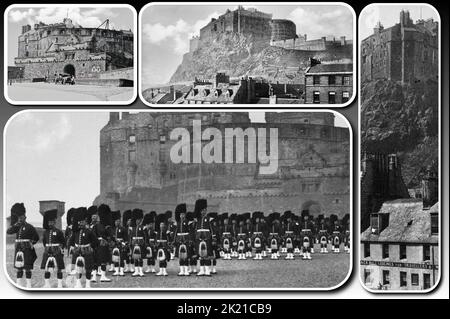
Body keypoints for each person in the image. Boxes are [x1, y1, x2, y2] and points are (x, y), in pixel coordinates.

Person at [7, 203, 39, 288]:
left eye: (22, 217)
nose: (20, 219)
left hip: (27, 249)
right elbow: (8, 232)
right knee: (19, 267)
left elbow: (36, 237)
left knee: (27, 267)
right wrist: (15, 225)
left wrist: (32, 243)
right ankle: (19, 283)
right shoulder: (16, 227)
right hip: (18, 249)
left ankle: (28, 284)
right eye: (19, 217)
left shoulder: (30, 227)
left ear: (25, 217)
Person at [68, 207, 99, 288]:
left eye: (83, 222)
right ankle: (78, 283)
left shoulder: (89, 231)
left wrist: (91, 247)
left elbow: (95, 241)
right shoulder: (75, 232)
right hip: (77, 251)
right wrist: (71, 247)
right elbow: (71, 241)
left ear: (85, 222)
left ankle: (88, 285)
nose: (81, 223)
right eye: (80, 222)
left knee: (88, 269)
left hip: (87, 251)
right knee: (78, 268)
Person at [41, 209, 66, 288]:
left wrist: (60, 248)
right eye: (49, 222)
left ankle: (59, 284)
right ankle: (47, 284)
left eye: (52, 222)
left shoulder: (59, 231)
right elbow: (44, 242)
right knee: (46, 268)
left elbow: (63, 242)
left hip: (57, 251)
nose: (50, 223)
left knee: (59, 268)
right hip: (48, 251)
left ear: (54, 222)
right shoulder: (45, 232)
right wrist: (48, 247)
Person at [194, 199, 213, 276]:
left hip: (207, 237)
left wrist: (213, 238)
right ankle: (202, 270)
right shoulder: (197, 219)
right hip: (199, 237)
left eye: (205, 210)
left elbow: (212, 229)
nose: (203, 212)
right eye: (202, 210)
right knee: (201, 254)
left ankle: (207, 270)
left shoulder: (209, 219)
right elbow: (195, 229)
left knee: (207, 254)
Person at [174, 204, 191, 276]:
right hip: (179, 240)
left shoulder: (187, 222)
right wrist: (174, 240)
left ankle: (186, 270)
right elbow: (175, 232)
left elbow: (190, 232)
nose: (182, 216)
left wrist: (190, 240)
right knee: (180, 256)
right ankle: (181, 270)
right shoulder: (177, 223)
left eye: (183, 214)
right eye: (181, 214)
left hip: (186, 239)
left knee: (186, 256)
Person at [130, 208, 147, 277]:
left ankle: (140, 271)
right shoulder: (132, 228)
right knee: (135, 258)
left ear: (141, 220)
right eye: (137, 220)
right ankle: (136, 271)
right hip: (134, 243)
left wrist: (145, 244)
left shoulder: (143, 227)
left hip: (141, 243)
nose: (138, 221)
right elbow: (131, 237)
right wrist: (131, 244)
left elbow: (146, 237)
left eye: (139, 220)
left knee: (140, 258)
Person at [110, 210, 128, 276]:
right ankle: (117, 271)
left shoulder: (123, 229)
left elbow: (126, 237)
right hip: (115, 245)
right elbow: (111, 237)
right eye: (116, 221)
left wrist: (125, 243)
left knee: (122, 258)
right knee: (115, 258)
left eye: (118, 221)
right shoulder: (113, 229)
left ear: (120, 222)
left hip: (121, 244)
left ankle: (122, 271)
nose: (117, 222)